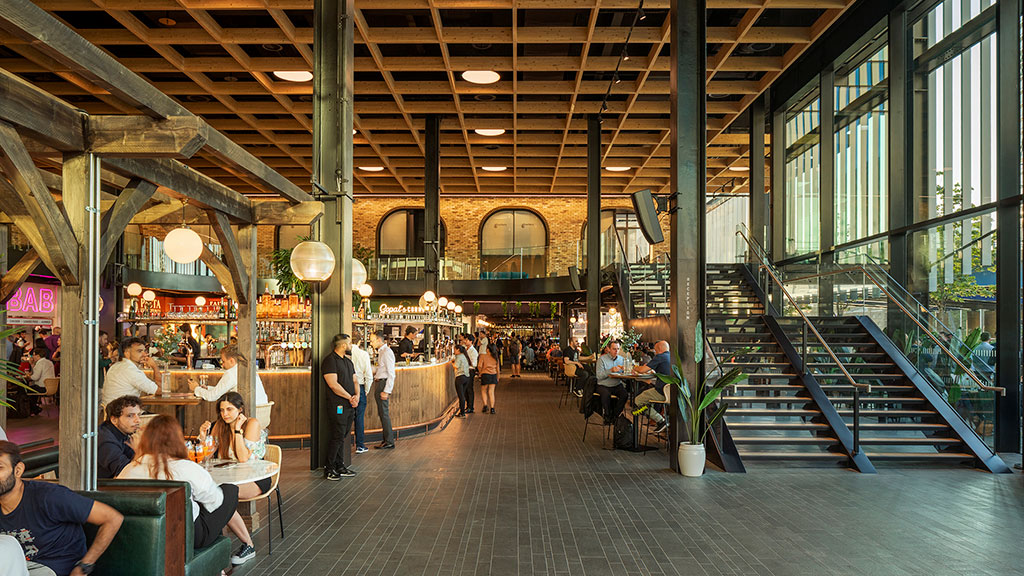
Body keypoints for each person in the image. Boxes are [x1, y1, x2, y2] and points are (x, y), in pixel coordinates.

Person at [117, 415, 257, 565]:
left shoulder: (129, 468)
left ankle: (238, 552)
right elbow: (215, 501)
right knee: (229, 491)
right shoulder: (186, 467)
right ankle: (245, 547)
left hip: (140, 534)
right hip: (189, 536)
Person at [0, 441, 124, 576]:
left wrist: (84, 566)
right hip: (16, 565)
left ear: (18, 470)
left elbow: (112, 518)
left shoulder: (49, 496)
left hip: (53, 568)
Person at [198, 392, 268, 499]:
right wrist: (203, 438)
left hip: (254, 478)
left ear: (240, 409)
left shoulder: (252, 424)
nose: (225, 414)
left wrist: (237, 430)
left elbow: (243, 458)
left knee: (221, 494)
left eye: (229, 409)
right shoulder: (219, 425)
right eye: (222, 410)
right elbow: (206, 458)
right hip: (227, 477)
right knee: (204, 491)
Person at [321, 334, 359, 479]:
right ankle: (329, 468)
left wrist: (357, 397)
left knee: (343, 435)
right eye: (349, 343)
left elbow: (355, 381)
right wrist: (350, 397)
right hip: (338, 405)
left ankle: (340, 465)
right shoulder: (330, 361)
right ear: (343, 345)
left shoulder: (348, 362)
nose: (351, 345)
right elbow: (333, 385)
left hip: (350, 405)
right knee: (337, 435)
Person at [186, 346, 268, 405]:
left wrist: (196, 388)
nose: (223, 365)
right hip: (260, 413)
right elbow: (227, 390)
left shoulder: (231, 373)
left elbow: (212, 397)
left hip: (245, 416)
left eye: (223, 361)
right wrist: (208, 388)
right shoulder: (247, 370)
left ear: (232, 361)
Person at [101, 338, 161, 407]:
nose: (145, 354)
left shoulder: (116, 366)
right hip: (123, 414)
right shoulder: (131, 370)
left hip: (112, 411)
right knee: (163, 417)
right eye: (139, 351)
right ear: (127, 354)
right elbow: (159, 391)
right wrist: (154, 366)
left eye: (144, 351)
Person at [97, 395, 142, 479]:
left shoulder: (122, 433)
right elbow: (126, 472)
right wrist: (139, 450)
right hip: (102, 488)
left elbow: (132, 459)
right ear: (114, 420)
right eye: (130, 416)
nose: (138, 420)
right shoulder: (106, 441)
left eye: (138, 415)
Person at [631, 341, 672, 434]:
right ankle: (643, 412)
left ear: (660, 350)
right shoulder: (671, 357)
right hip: (673, 393)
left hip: (662, 392)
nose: (655, 353)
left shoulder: (660, 357)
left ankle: (660, 420)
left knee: (638, 401)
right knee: (645, 398)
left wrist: (634, 367)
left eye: (656, 351)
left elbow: (642, 370)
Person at [369, 331, 397, 449]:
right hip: (380, 383)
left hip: (383, 384)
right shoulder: (382, 352)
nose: (371, 343)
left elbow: (391, 373)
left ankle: (389, 441)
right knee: (382, 413)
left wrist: (387, 390)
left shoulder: (386, 352)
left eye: (372, 341)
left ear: (379, 340)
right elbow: (382, 369)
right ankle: (386, 440)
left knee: (384, 414)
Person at [349, 333, 374, 454]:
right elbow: (368, 375)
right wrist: (365, 391)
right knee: (359, 417)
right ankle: (360, 445)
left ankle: (343, 444)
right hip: (360, 386)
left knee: (345, 416)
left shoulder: (345, 354)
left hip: (346, 388)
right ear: (359, 342)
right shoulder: (363, 354)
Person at [596, 340, 628, 424]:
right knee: (606, 395)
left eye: (618, 349)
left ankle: (615, 415)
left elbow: (623, 374)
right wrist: (610, 370)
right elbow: (598, 376)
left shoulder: (621, 359)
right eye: (614, 349)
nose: (616, 351)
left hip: (616, 384)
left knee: (624, 394)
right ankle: (607, 416)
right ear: (608, 349)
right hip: (603, 384)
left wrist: (625, 371)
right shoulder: (602, 359)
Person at [25, 348, 54, 417]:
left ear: (38, 356)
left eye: (33, 355)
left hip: (42, 387)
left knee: (25, 390)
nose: (33, 357)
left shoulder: (40, 363)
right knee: (32, 389)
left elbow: (35, 377)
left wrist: (28, 376)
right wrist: (32, 364)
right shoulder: (49, 362)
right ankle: (34, 409)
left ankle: (35, 409)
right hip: (50, 387)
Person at [478, 343, 500, 414]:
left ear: (488, 349)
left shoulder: (483, 356)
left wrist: (480, 373)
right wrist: (498, 377)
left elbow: (479, 366)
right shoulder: (496, 357)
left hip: (485, 375)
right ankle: (492, 408)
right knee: (491, 392)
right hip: (493, 375)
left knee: (484, 390)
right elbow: (498, 369)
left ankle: (485, 405)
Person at [459, 334, 478, 414]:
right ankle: (468, 406)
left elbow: (474, 363)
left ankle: (471, 407)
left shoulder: (473, 351)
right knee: (465, 389)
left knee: (469, 389)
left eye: (466, 340)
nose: (465, 341)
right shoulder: (466, 349)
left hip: (470, 371)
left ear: (471, 341)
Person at [451, 345, 471, 417]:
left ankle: (462, 413)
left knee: (461, 396)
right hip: (466, 377)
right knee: (462, 395)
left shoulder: (459, 356)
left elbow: (456, 366)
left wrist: (452, 363)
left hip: (460, 377)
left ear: (458, 350)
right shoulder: (464, 355)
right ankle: (462, 411)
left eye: (454, 349)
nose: (454, 351)